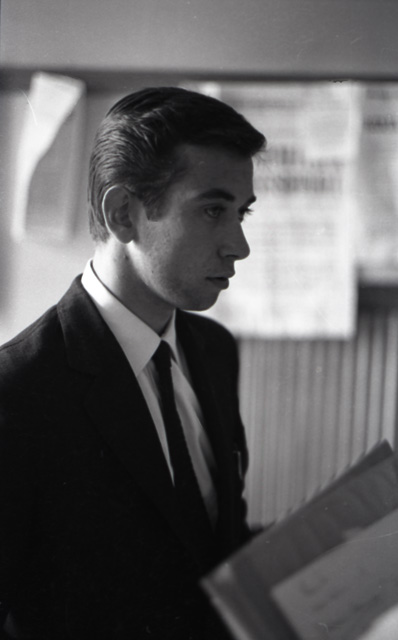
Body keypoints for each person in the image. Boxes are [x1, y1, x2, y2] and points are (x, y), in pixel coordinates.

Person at [0, 87, 265, 640]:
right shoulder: (18, 392)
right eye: (213, 210)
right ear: (123, 213)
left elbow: (209, 544)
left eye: (241, 213)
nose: (239, 245)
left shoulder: (215, 350)